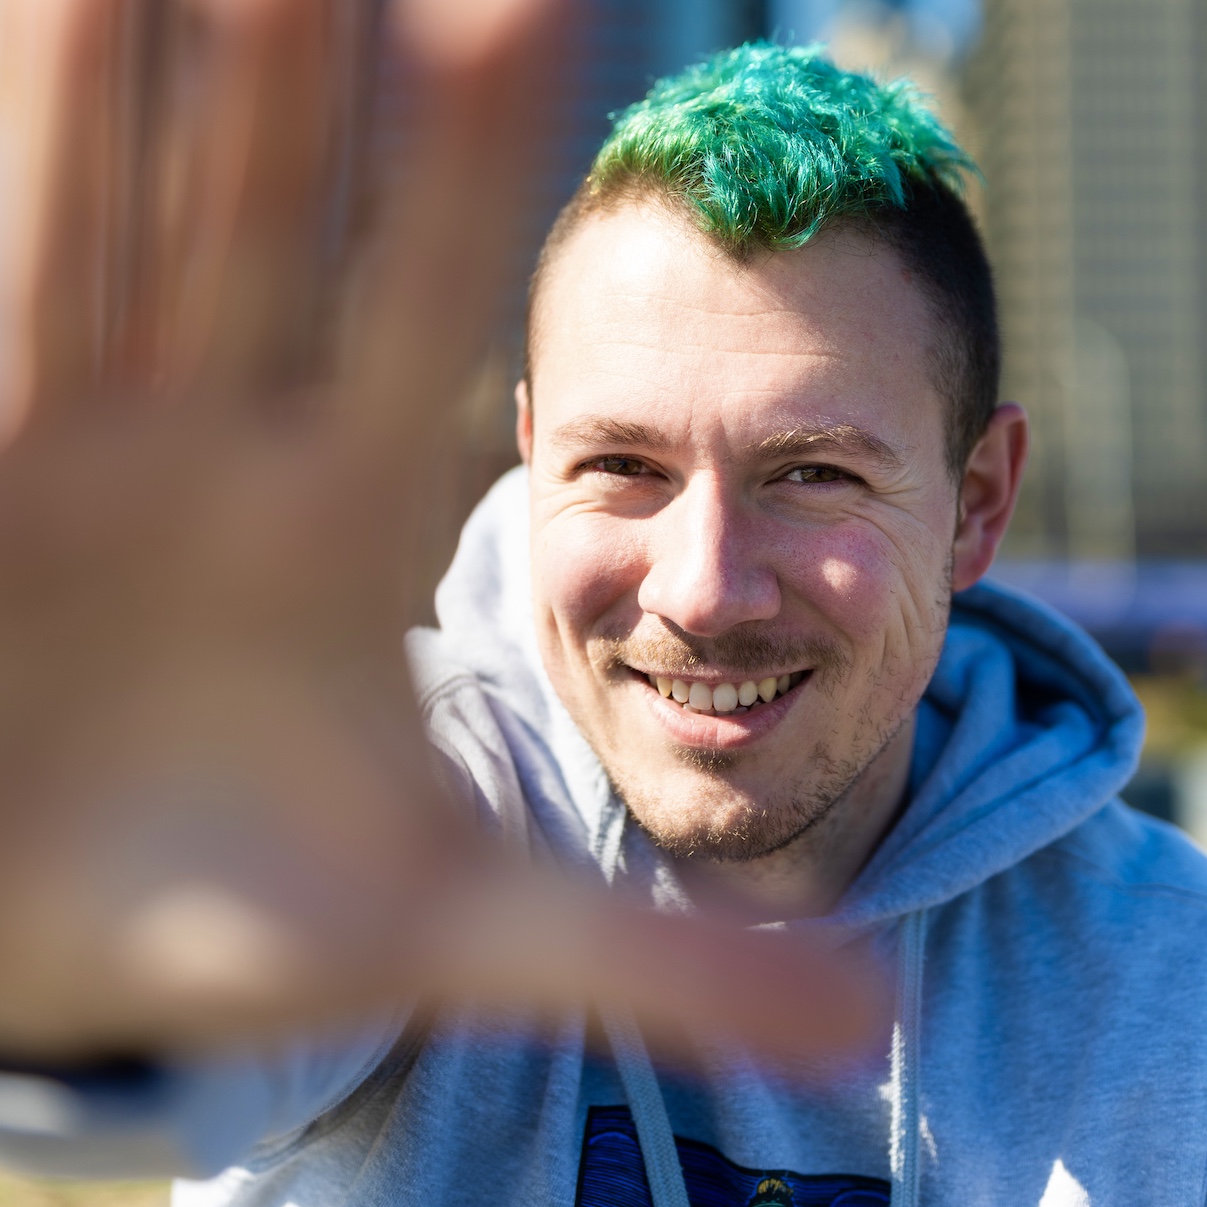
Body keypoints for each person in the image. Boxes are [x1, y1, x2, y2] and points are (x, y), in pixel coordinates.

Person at [1, 7, 1207, 1207]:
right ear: (530, 460)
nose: (702, 588)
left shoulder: (1169, 966)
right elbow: (147, 1052)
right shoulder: (393, 811)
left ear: (977, 501)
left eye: (813, 475)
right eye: (623, 467)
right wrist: (65, 996)